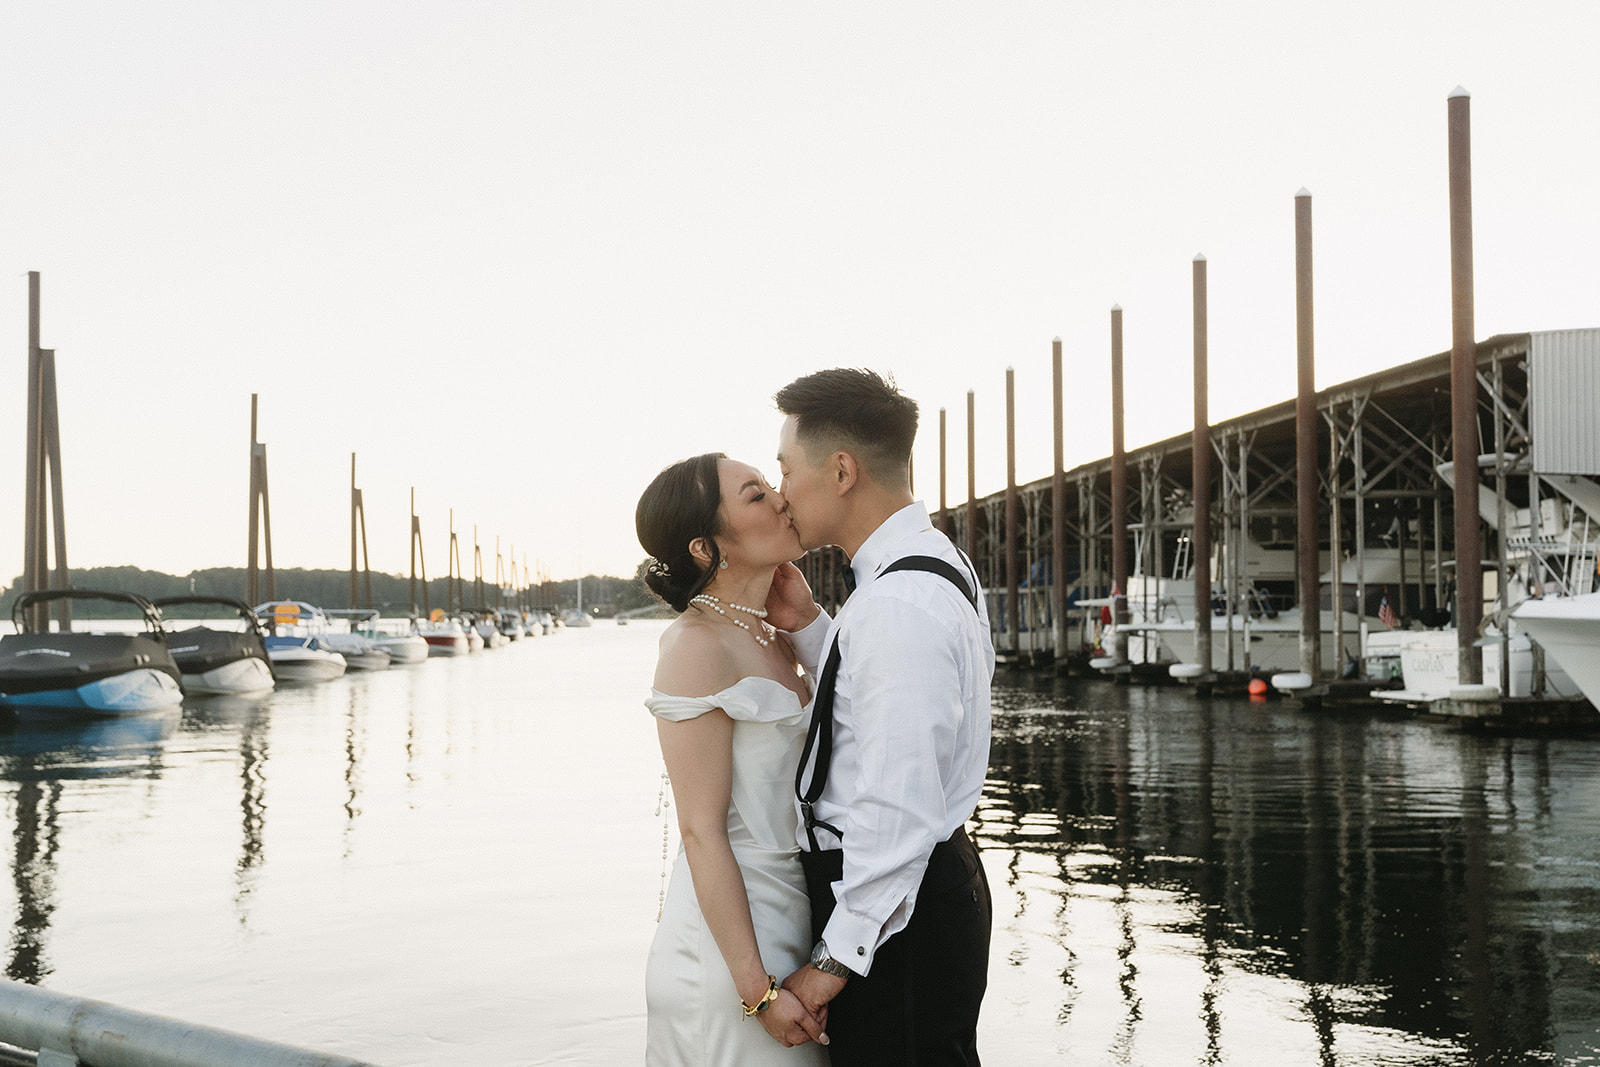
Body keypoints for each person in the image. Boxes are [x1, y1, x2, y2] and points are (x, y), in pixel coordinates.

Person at [764, 368, 995, 1066]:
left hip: (900, 915)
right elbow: (880, 707)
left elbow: (896, 802)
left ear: (840, 471)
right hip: (922, 892)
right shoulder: (927, 566)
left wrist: (835, 958)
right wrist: (812, 626)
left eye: (785, 468)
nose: (781, 493)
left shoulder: (898, 605)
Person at [636, 452, 829, 1065]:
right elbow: (699, 830)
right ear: (704, 547)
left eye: (772, 485)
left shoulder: (772, 635)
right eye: (754, 495)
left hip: (792, 917)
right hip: (728, 953)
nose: (780, 499)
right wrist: (756, 989)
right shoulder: (695, 648)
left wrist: (804, 622)